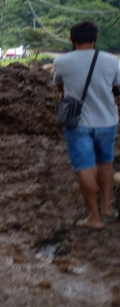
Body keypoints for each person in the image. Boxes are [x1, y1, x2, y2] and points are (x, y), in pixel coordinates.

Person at [53, 20, 120, 230]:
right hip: (107, 121)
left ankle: (94, 218)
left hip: (78, 123)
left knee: (84, 167)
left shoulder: (62, 62)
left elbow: (61, 89)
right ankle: (107, 207)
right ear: (96, 38)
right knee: (105, 162)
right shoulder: (112, 61)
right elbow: (117, 92)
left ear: (71, 40)